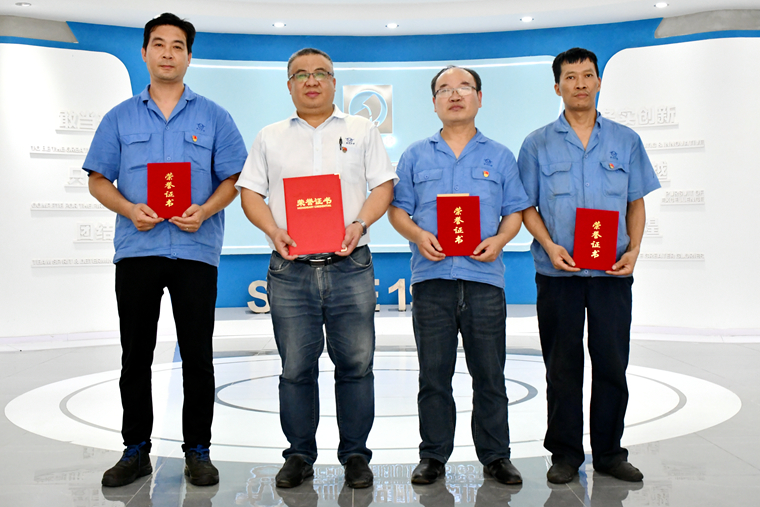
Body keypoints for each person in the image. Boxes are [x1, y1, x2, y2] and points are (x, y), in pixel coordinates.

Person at [84, 12, 247, 487]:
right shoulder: (120, 117)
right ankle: (135, 449)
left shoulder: (214, 116)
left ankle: (198, 450)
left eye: (178, 46)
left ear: (189, 57)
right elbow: (98, 179)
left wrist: (206, 209)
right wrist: (128, 208)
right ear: (144, 53)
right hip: (138, 249)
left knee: (197, 356)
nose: (168, 54)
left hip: (196, 250)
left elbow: (233, 179)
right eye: (159, 44)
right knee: (135, 355)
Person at [236, 48, 397, 489]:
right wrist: (273, 230)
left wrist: (360, 223)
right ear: (289, 85)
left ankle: (356, 455)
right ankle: (299, 454)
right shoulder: (269, 136)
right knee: (295, 368)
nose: (311, 81)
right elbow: (250, 193)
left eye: (320, 73)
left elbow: (383, 186)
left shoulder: (361, 130)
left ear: (333, 82)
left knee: (356, 365)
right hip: (291, 269)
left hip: (350, 266)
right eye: (301, 75)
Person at [517, 47, 661, 484]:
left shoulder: (625, 140)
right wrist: (548, 245)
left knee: (612, 364)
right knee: (562, 366)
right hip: (558, 273)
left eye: (587, 75)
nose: (579, 84)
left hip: (611, 273)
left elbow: (635, 202)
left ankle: (610, 453)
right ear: (557, 86)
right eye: (570, 77)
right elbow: (526, 206)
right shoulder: (537, 143)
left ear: (599, 81)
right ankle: (564, 454)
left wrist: (634, 250)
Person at [388, 66, 530, 486]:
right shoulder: (415, 155)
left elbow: (515, 211)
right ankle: (433, 456)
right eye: (444, 89)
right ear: (434, 102)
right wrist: (418, 235)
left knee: (490, 375)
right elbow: (398, 210)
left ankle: (496, 456)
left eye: (464, 87)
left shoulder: (500, 156)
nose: (455, 95)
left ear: (479, 98)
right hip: (431, 280)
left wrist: (500, 240)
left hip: (484, 280)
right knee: (434, 376)